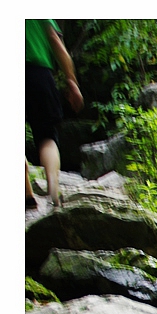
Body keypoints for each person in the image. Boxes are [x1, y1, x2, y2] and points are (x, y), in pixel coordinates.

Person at [26, 19, 83, 210]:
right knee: (46, 137)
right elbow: (54, 40)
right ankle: (52, 188)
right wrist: (71, 81)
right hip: (38, 75)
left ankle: (27, 193)